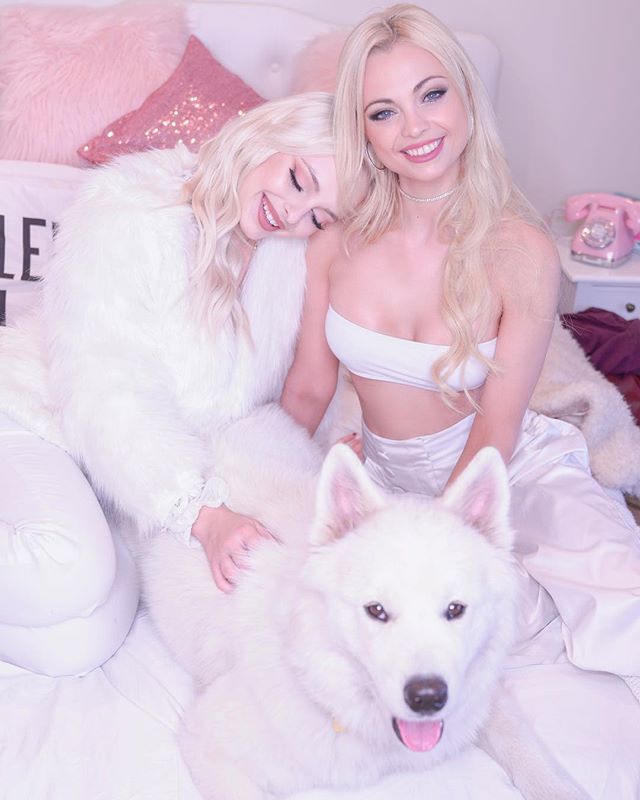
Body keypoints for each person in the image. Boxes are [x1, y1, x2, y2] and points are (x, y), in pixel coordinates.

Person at [281, 5, 640, 680]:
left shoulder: (520, 250)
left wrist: (445, 535)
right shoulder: (332, 247)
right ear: (362, 131)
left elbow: (498, 426)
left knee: (620, 602)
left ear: (467, 99)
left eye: (431, 95)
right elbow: (307, 390)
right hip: (384, 479)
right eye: (383, 111)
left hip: (501, 472)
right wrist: (263, 483)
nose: (414, 128)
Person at [0, 92, 339, 676]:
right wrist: (204, 518)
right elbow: (106, 390)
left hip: (122, 482)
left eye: (318, 216)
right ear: (268, 135)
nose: (291, 212)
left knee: (82, 644)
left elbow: (255, 406)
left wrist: (330, 454)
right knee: (71, 574)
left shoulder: (284, 261)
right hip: (40, 418)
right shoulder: (131, 206)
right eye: (296, 179)